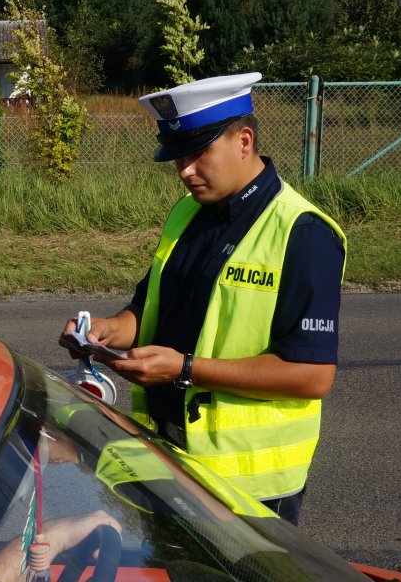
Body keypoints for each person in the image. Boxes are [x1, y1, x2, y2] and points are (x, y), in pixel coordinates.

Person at [60, 72, 347, 526]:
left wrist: (184, 369)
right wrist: (108, 331)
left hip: (250, 490)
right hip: (167, 460)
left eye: (198, 154)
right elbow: (149, 308)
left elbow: (311, 375)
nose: (184, 171)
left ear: (244, 141)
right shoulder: (187, 212)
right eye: (178, 157)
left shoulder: (303, 233)